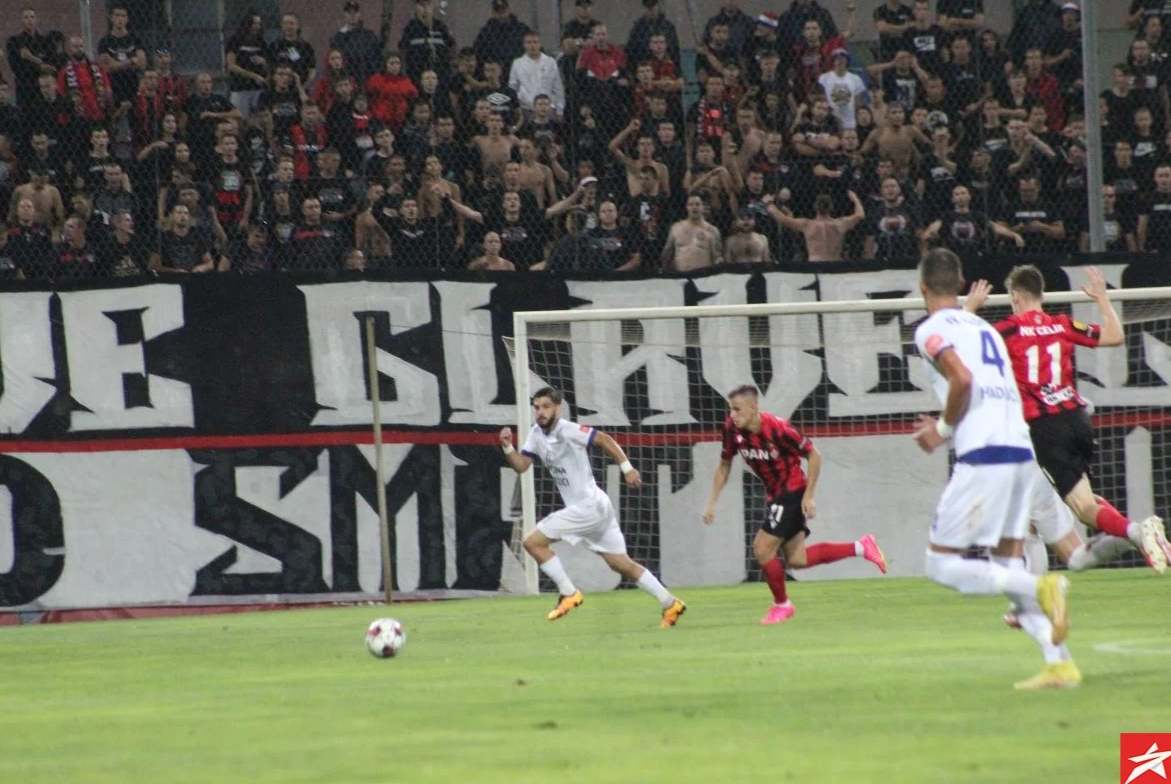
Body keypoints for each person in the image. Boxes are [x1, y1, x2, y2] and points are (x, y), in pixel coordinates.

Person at [911, 248, 1075, 690]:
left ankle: (1043, 587)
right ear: (962, 284)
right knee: (1007, 563)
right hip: (1021, 452)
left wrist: (941, 429)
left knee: (940, 565)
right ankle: (1059, 663)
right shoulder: (984, 327)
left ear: (923, 288)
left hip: (984, 456)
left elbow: (962, 379)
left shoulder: (929, 330)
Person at [964, 266, 1170, 574]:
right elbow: (1115, 336)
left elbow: (964, 348)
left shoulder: (1007, 330)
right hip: (1077, 420)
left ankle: (1138, 532)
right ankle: (1142, 537)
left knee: (1083, 508)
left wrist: (970, 309)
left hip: (1046, 428)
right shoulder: (1061, 324)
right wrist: (1102, 298)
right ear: (1042, 295)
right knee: (1082, 498)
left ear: (1016, 296)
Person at [499, 386, 687, 628]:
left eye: (546, 407)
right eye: (536, 407)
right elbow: (522, 465)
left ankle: (568, 593)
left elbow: (604, 439)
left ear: (558, 408)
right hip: (595, 507)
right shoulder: (536, 434)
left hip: (588, 507)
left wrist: (627, 468)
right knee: (621, 564)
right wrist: (507, 447)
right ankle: (670, 603)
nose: (540, 412)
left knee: (532, 542)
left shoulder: (568, 430)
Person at [703, 385, 887, 625]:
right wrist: (712, 502)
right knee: (797, 559)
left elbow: (814, 455)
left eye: (737, 409)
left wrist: (808, 496)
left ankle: (782, 605)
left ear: (753, 407)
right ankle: (862, 547)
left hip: (792, 490)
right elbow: (725, 464)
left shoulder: (778, 429)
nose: (733, 415)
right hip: (775, 494)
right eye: (731, 410)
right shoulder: (731, 429)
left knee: (762, 548)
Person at [661, 193, 723, 272]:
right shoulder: (676, 228)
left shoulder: (712, 231)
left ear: (703, 207)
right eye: (690, 204)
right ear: (686, 207)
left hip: (703, 275)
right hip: (680, 275)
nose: (694, 207)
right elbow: (667, 254)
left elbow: (717, 258)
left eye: (697, 204)